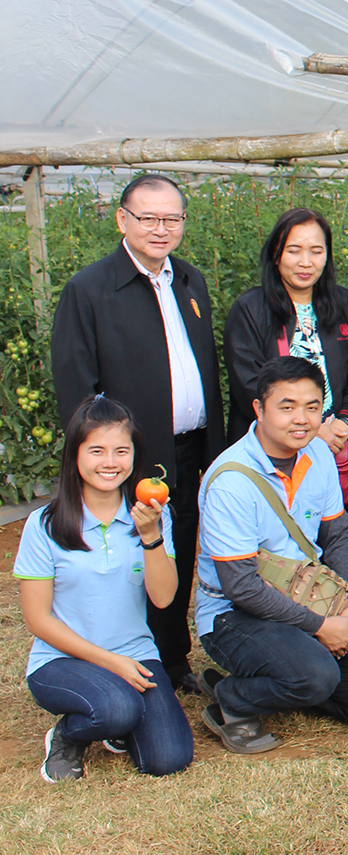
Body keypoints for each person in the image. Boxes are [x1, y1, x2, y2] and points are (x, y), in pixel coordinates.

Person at [50, 172, 226, 690]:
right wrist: (101, 459)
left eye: (172, 218)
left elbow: (204, 367)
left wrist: (213, 451)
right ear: (122, 220)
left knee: (178, 548)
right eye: (148, 217)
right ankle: (123, 657)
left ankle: (172, 658)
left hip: (188, 448)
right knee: (128, 555)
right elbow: (76, 385)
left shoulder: (189, 281)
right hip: (129, 456)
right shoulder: (90, 289)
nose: (160, 228)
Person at [194, 357, 348, 754]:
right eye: (286, 407)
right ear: (259, 409)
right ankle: (231, 699)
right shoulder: (230, 481)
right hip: (233, 615)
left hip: (303, 597)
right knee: (315, 677)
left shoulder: (317, 453)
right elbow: (241, 587)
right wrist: (321, 627)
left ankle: (279, 674)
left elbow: (337, 536)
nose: (301, 419)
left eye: (312, 406)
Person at [14, 396, 193, 781]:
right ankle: (68, 735)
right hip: (62, 660)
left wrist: (150, 536)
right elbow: (37, 619)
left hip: (135, 655)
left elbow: (163, 598)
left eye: (121, 451)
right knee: (117, 708)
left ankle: (117, 726)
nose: (110, 462)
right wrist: (110, 662)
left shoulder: (151, 514)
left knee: (169, 759)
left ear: (134, 455)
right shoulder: (44, 525)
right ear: (75, 454)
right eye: (97, 450)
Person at [223, 206, 348, 451]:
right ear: (276, 254)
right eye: (293, 251)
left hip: (336, 441)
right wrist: (311, 429)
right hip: (271, 448)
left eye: (316, 251)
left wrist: (345, 421)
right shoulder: (250, 309)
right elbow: (249, 384)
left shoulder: (344, 304)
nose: (306, 262)